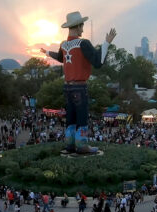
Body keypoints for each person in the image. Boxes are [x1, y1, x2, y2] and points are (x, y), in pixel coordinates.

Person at [41, 11, 116, 153]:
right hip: (80, 88)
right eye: (82, 26)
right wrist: (107, 43)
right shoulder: (83, 43)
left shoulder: (64, 45)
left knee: (71, 117)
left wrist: (46, 53)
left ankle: (69, 145)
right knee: (81, 116)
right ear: (77, 26)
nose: (82, 29)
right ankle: (81, 146)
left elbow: (59, 57)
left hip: (67, 88)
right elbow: (98, 62)